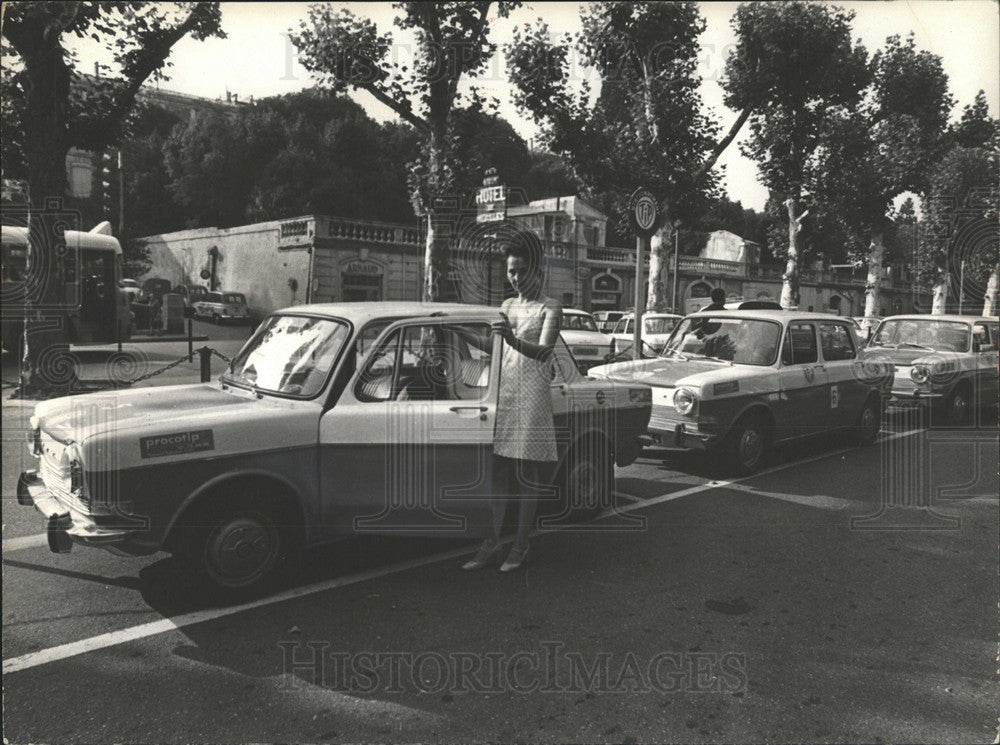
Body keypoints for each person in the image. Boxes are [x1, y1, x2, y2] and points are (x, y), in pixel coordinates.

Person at [462, 230, 562, 573]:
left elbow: (544, 352)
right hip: (504, 393)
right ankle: (492, 541)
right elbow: (491, 345)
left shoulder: (551, 306)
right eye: (510, 271)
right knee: (500, 470)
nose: (515, 277)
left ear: (536, 270)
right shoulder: (506, 306)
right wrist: (455, 330)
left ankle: (520, 544)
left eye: (521, 270)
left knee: (528, 474)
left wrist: (513, 340)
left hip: (532, 396)